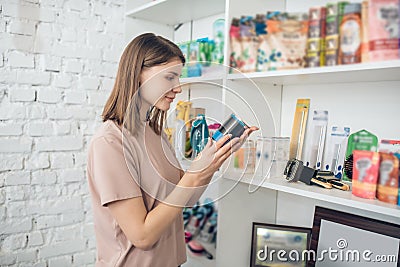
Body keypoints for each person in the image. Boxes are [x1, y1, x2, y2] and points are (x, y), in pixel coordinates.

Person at [86, 33, 258, 267]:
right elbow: (142, 236)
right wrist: (194, 173)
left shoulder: (155, 134)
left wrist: (212, 162)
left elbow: (187, 199)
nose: (178, 88)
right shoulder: (110, 143)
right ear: (138, 74)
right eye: (170, 77)